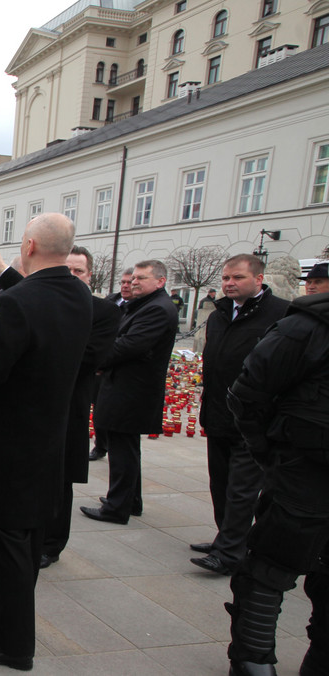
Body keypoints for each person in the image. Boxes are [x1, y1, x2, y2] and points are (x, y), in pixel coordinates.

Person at [0, 214, 91, 671]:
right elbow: (39, 297)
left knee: (10, 548)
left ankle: (11, 645)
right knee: (28, 542)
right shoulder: (78, 293)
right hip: (49, 444)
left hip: (11, 448)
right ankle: (3, 612)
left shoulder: (13, 304)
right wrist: (3, 268)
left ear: (31, 244)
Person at [222, 287, 329, 676]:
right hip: (305, 474)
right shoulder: (308, 327)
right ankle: (252, 658)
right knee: (270, 569)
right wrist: (270, 452)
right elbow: (248, 393)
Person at [189, 254, 288, 577]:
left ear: (259, 279)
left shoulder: (281, 313)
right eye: (226, 278)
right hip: (218, 411)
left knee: (242, 489)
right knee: (220, 482)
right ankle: (227, 539)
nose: (229, 284)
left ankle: (231, 553)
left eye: (238, 278)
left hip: (254, 418)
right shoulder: (219, 314)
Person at [82, 260, 178, 525]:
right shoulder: (147, 305)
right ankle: (130, 500)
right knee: (125, 447)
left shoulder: (157, 309)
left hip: (132, 390)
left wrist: (94, 361)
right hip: (127, 387)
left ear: (160, 282)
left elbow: (129, 346)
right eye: (133, 277)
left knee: (123, 450)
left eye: (141, 278)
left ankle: (116, 507)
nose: (134, 282)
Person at [40, 246, 119, 569]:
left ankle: (52, 542)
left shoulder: (103, 312)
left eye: (79, 272)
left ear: (89, 276)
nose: (71, 277)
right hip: (34, 404)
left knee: (61, 478)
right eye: (66, 270)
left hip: (70, 404)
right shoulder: (42, 304)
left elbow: (89, 357)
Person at [90, 268, 135, 462]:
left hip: (112, 364)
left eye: (129, 282)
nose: (125, 286)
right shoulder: (111, 300)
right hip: (100, 366)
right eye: (123, 282)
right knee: (98, 409)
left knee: (107, 410)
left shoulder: (138, 308)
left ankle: (104, 445)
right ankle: (100, 445)